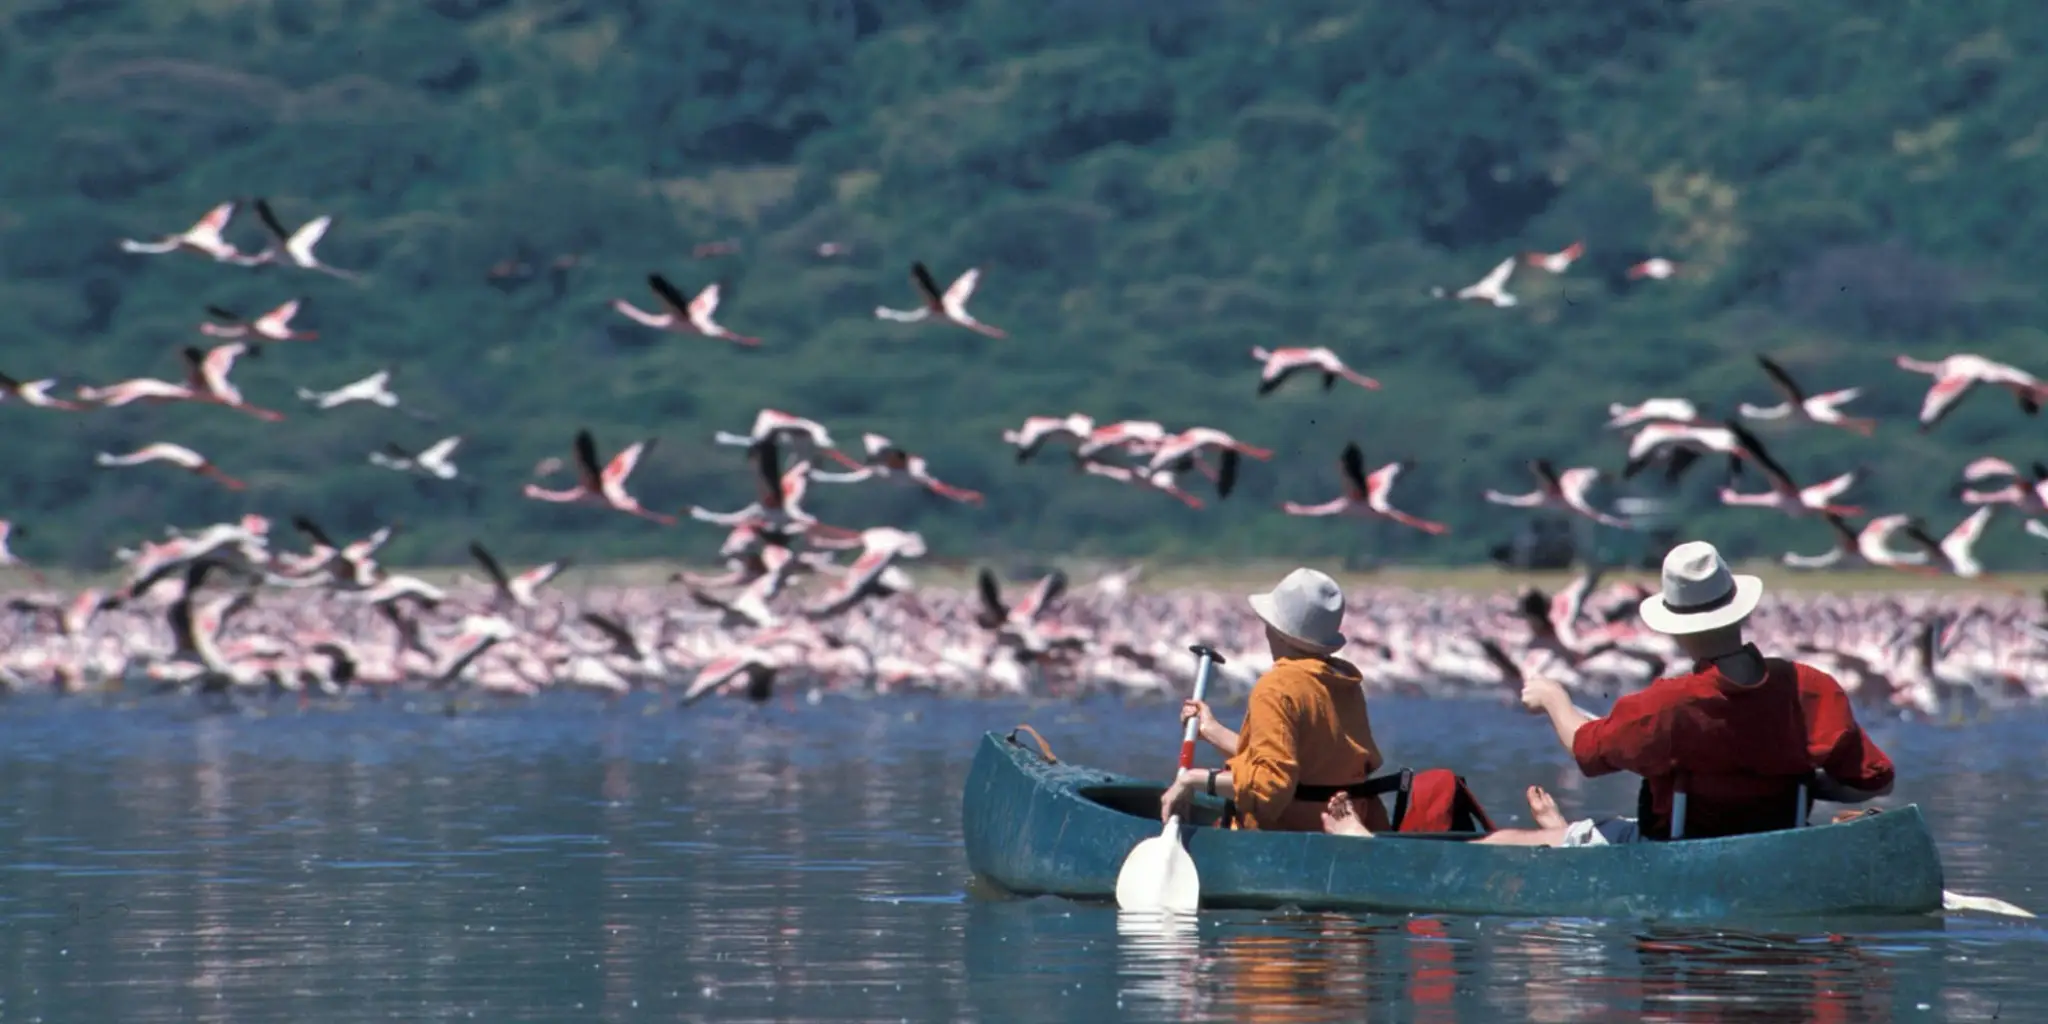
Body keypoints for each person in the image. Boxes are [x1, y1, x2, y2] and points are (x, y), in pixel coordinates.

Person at [1324, 540, 1896, 845]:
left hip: (1673, 853)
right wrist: (1788, 779)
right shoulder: (1813, 688)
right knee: (1582, 833)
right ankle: (1563, 834)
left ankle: (1366, 845)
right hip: (1777, 848)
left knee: (1508, 845)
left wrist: (1552, 697)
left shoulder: (1669, 702)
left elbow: (1588, 752)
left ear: (1675, 624)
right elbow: (1872, 779)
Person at [1159, 567, 1388, 832]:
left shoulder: (1276, 688)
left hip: (1288, 834)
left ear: (1278, 631)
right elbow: (1294, 767)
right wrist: (1211, 731)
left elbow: (1271, 786)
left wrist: (1192, 780)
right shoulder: (1343, 683)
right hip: (1336, 826)